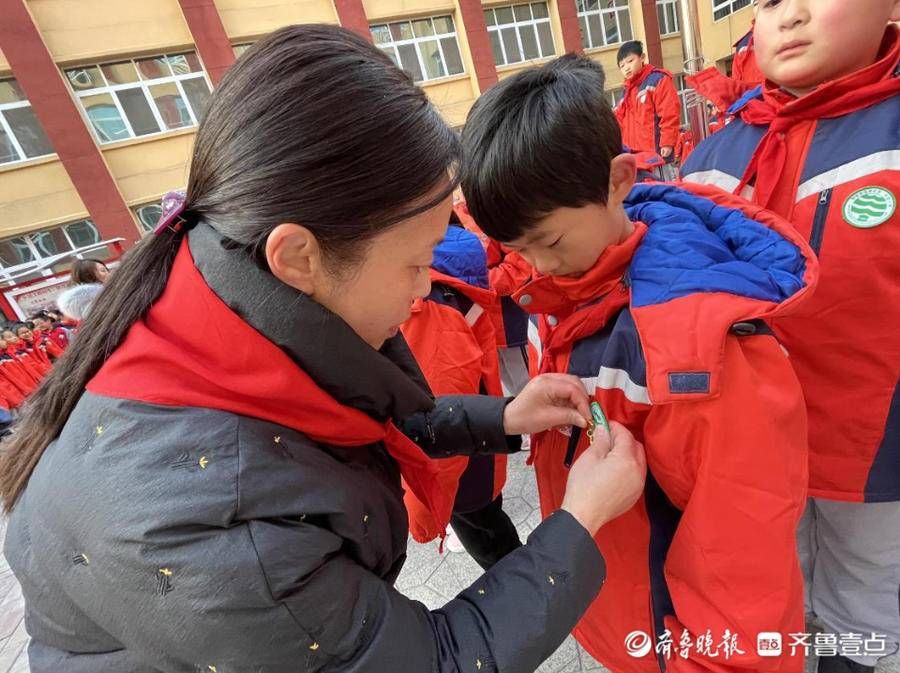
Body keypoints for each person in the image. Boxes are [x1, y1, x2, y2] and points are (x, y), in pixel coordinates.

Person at [0, 26, 647, 673]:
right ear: (299, 255)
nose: (427, 285)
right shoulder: (223, 531)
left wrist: (503, 416)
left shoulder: (228, 298)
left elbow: (368, 404)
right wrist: (580, 518)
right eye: (415, 263)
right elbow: (438, 661)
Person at [461, 53, 817, 673]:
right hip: (618, 603)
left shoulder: (696, 345)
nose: (537, 266)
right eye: (517, 249)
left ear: (619, 179)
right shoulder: (574, 279)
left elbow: (742, 552)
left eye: (547, 243)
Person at [681, 2, 900, 671]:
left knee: (865, 598)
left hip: (874, 447)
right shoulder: (716, 152)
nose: (790, 16)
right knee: (779, 573)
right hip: (753, 442)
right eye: (770, 1)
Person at [401, 217, 521, 569]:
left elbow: (436, 413)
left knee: (490, 541)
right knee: (489, 523)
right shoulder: (440, 265)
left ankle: (529, 595)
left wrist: (427, 514)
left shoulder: (420, 301)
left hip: (460, 463)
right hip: (475, 436)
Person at [614, 41, 681, 165]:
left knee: (660, 184)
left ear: (642, 58)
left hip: (656, 154)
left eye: (630, 61)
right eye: (622, 66)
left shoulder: (657, 80)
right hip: (634, 157)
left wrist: (667, 142)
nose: (627, 68)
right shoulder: (626, 92)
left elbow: (669, 113)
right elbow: (617, 120)